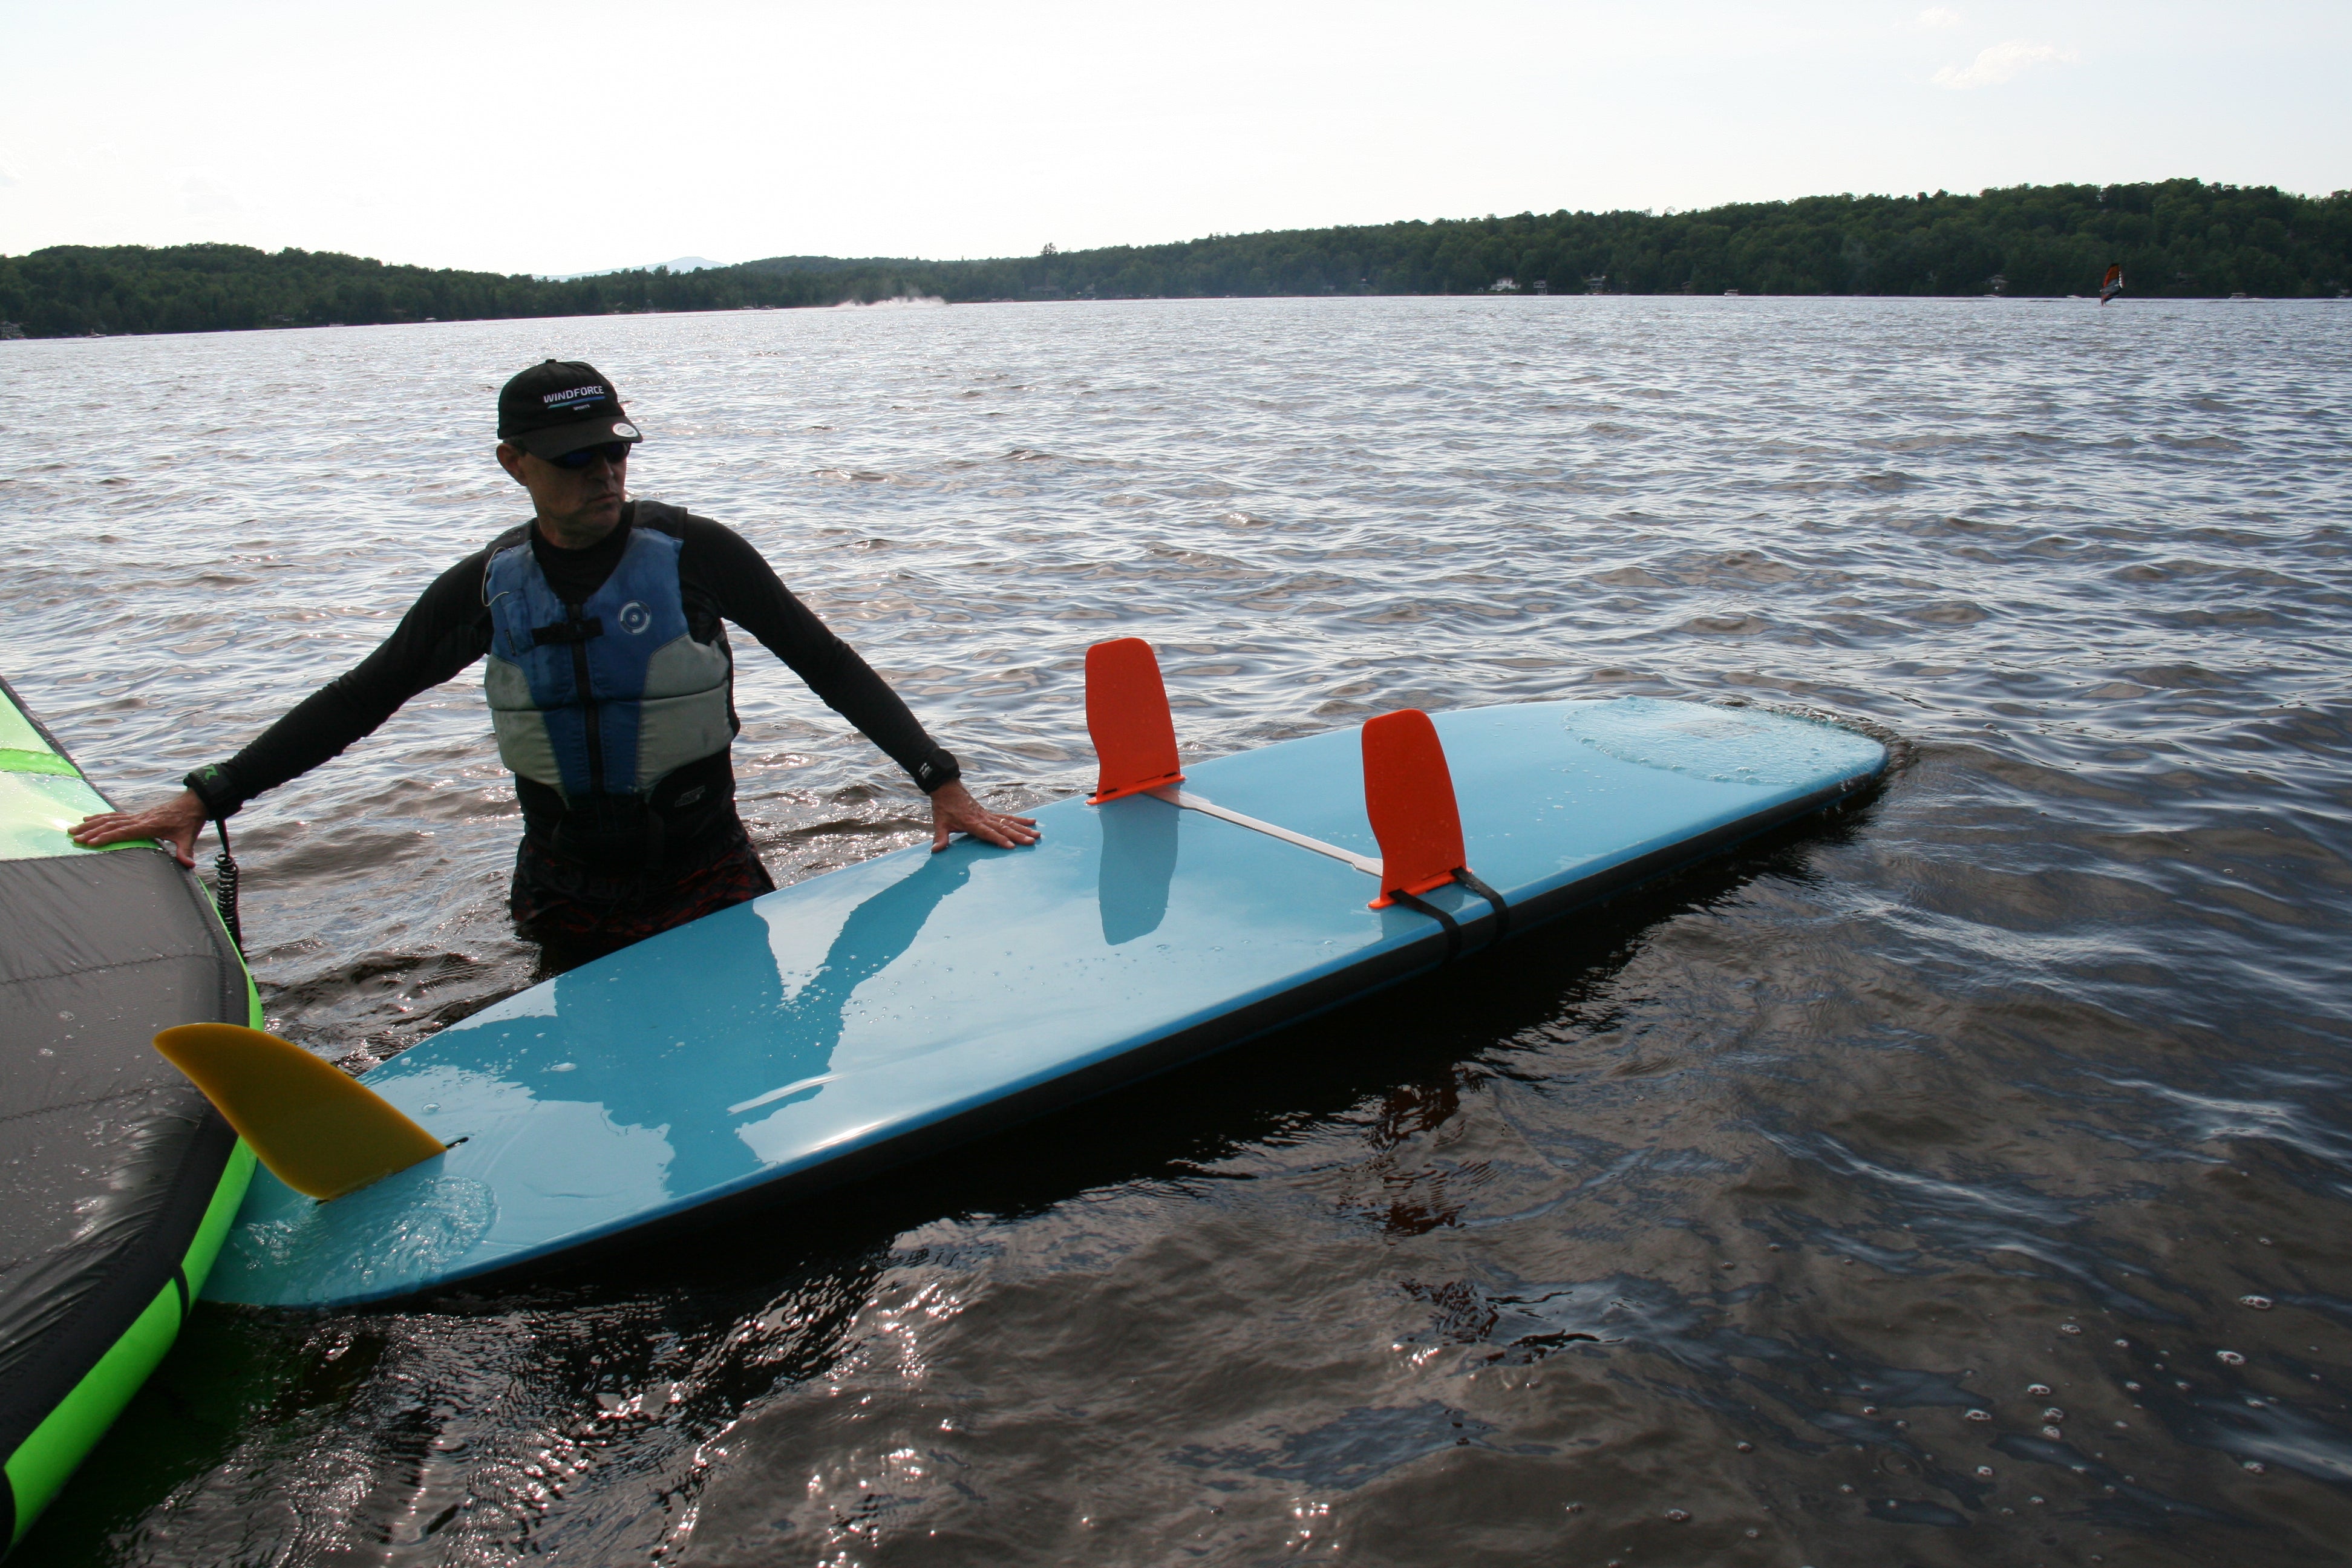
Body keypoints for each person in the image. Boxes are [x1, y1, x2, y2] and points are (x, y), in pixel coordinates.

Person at [71, 359, 1039, 960]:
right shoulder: (486, 589)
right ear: (515, 463)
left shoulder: (698, 555)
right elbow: (361, 697)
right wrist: (207, 796)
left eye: (614, 453)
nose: (603, 474)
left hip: (706, 875)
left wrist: (942, 782)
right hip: (562, 891)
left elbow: (826, 660)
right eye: (574, 459)